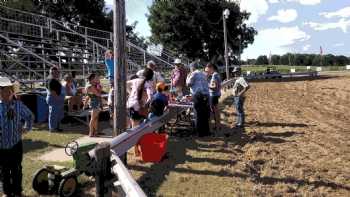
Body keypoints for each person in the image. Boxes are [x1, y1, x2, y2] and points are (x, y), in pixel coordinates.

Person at [0, 77, 33, 197]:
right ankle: (7, 193)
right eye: (3, 90)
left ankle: (18, 192)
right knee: (4, 171)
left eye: (9, 90)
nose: (6, 92)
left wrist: (26, 128)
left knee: (17, 169)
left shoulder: (18, 106)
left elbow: (30, 116)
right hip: (1, 146)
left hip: (15, 144)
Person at [186, 61, 210, 137]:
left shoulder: (193, 73)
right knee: (204, 114)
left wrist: (188, 76)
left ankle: (199, 133)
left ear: (192, 68)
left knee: (198, 114)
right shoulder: (203, 73)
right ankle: (206, 132)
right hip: (206, 95)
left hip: (198, 96)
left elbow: (188, 84)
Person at [46, 66, 65, 132]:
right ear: (52, 73)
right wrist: (59, 99)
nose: (58, 73)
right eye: (56, 72)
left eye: (58, 72)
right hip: (54, 99)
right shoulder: (50, 81)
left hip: (57, 99)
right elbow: (52, 92)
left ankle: (56, 127)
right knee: (53, 115)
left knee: (58, 115)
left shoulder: (55, 80)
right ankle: (52, 128)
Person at [205, 63, 222, 131]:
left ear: (211, 68)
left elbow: (214, 87)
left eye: (208, 69)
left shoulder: (214, 75)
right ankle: (218, 125)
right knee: (216, 111)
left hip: (213, 95)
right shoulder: (216, 74)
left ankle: (217, 126)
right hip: (215, 94)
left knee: (214, 111)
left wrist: (208, 85)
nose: (207, 71)